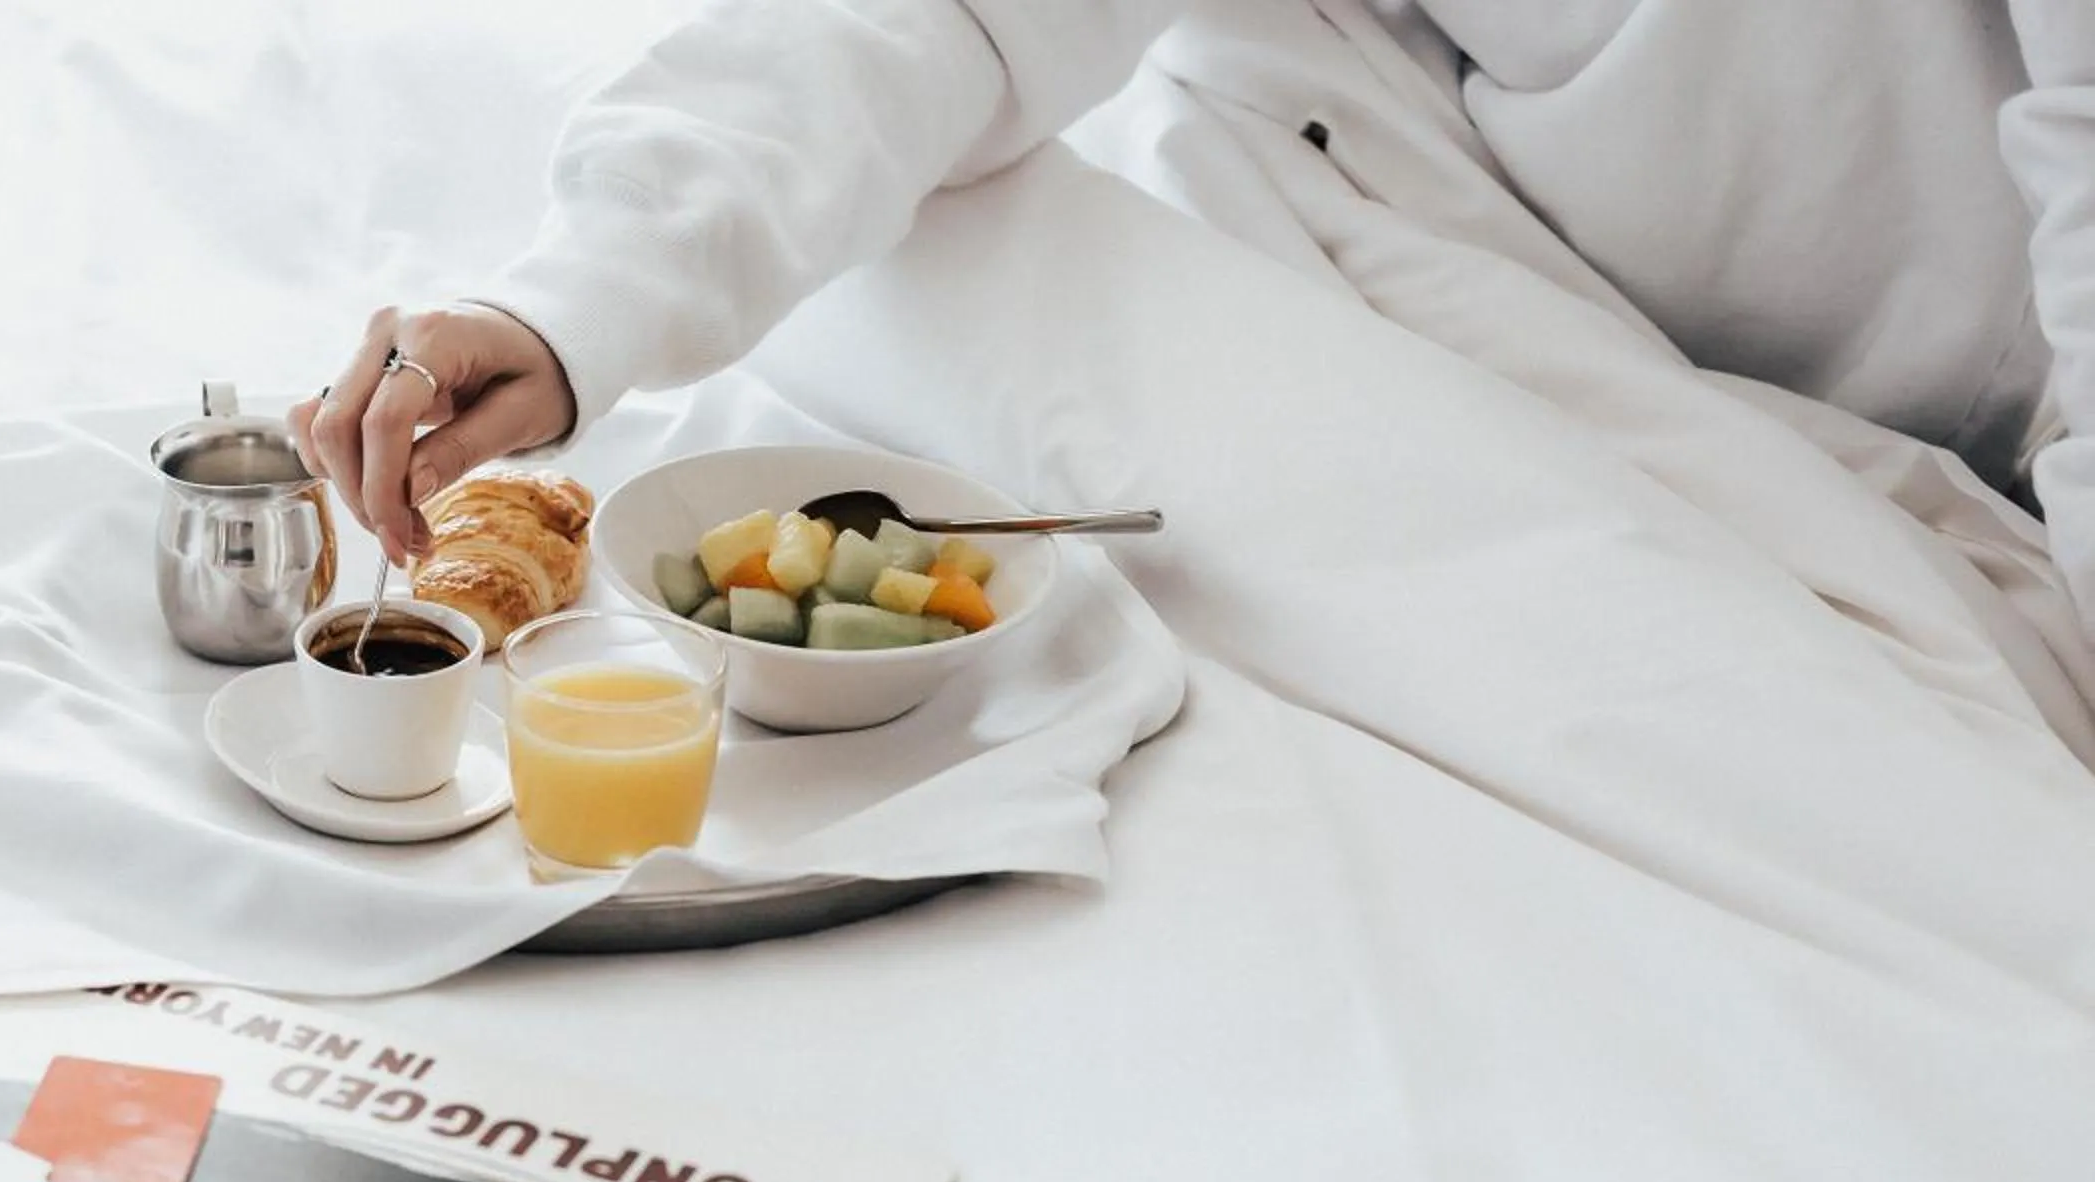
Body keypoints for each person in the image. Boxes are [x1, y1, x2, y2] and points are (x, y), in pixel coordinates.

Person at [289, 0, 2094, 640]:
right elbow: (932, 18)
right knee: (943, 261)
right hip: (1491, 282)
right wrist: (576, 301)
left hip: (1994, 390)